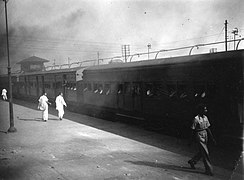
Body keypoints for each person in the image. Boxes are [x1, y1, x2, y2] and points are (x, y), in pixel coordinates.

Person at [188, 104, 216, 176]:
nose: (206, 111)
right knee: (205, 153)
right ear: (200, 110)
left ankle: (193, 161)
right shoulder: (196, 119)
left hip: (205, 134)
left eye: (206, 109)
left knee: (202, 151)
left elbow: (207, 128)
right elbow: (192, 130)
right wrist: (190, 141)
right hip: (199, 135)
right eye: (204, 109)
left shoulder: (205, 117)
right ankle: (209, 170)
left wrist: (212, 138)